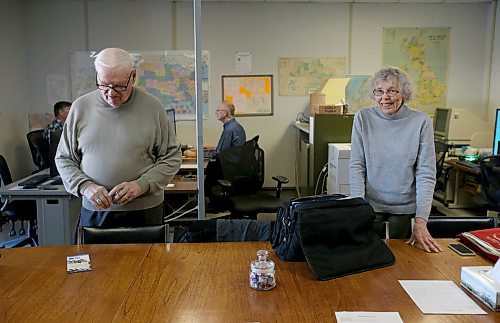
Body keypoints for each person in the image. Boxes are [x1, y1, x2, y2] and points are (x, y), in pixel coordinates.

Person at [55, 48, 182, 229]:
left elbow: (172, 157)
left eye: (120, 86)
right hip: (96, 211)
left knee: (148, 258)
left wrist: (142, 184)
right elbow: (63, 158)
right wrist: (85, 186)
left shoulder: (153, 107)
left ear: (133, 76)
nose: (111, 93)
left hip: (144, 211)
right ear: (97, 76)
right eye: (104, 85)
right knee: (98, 258)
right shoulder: (80, 108)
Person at [349, 66, 443, 253]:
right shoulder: (363, 118)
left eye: (392, 91)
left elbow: (426, 173)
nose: (385, 97)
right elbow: (357, 165)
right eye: (379, 91)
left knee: (404, 258)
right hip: (370, 205)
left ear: (404, 94)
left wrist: (421, 219)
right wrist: (357, 208)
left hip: (405, 208)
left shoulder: (421, 122)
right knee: (367, 256)